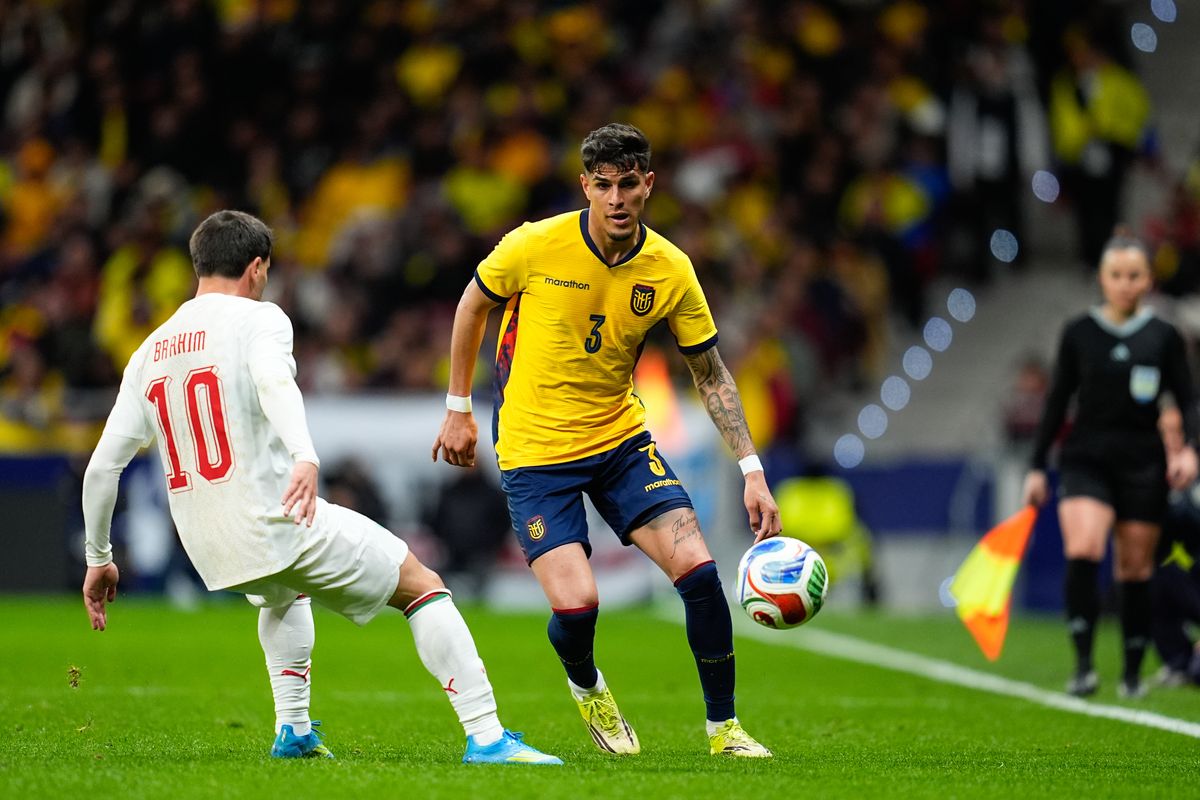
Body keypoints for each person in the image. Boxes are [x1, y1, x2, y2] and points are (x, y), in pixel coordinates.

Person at [80, 210, 561, 766]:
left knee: (285, 590)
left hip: (207, 539)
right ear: (257, 268)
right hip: (273, 518)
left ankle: (294, 730)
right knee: (422, 585)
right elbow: (273, 381)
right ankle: (487, 736)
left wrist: (99, 558)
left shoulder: (149, 351)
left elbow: (100, 469)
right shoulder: (259, 320)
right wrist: (306, 456)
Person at [431, 123, 782, 758]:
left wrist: (751, 469)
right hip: (537, 455)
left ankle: (725, 730)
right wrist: (458, 409)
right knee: (579, 610)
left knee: (700, 573)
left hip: (620, 442)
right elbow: (470, 306)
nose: (616, 199)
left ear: (649, 185)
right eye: (604, 186)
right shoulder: (535, 245)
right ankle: (587, 683)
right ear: (585, 187)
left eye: (628, 184)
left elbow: (710, 372)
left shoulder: (670, 269)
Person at [1023, 230, 1200, 698]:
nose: (1125, 284)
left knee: (1136, 568)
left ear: (1147, 280)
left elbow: (1189, 400)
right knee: (1083, 547)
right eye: (1116, 275)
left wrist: (1188, 450)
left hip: (1142, 462)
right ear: (1102, 279)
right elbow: (1057, 402)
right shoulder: (1079, 332)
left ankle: (1131, 671)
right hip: (1086, 458)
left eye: (1134, 275)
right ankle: (1083, 665)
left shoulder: (1163, 337)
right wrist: (1038, 465)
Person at [1151, 406, 1200, 687]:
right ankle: (1178, 661)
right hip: (1184, 573)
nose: (1170, 438)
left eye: (1176, 431)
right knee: (1151, 579)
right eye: (1163, 432)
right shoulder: (1149, 475)